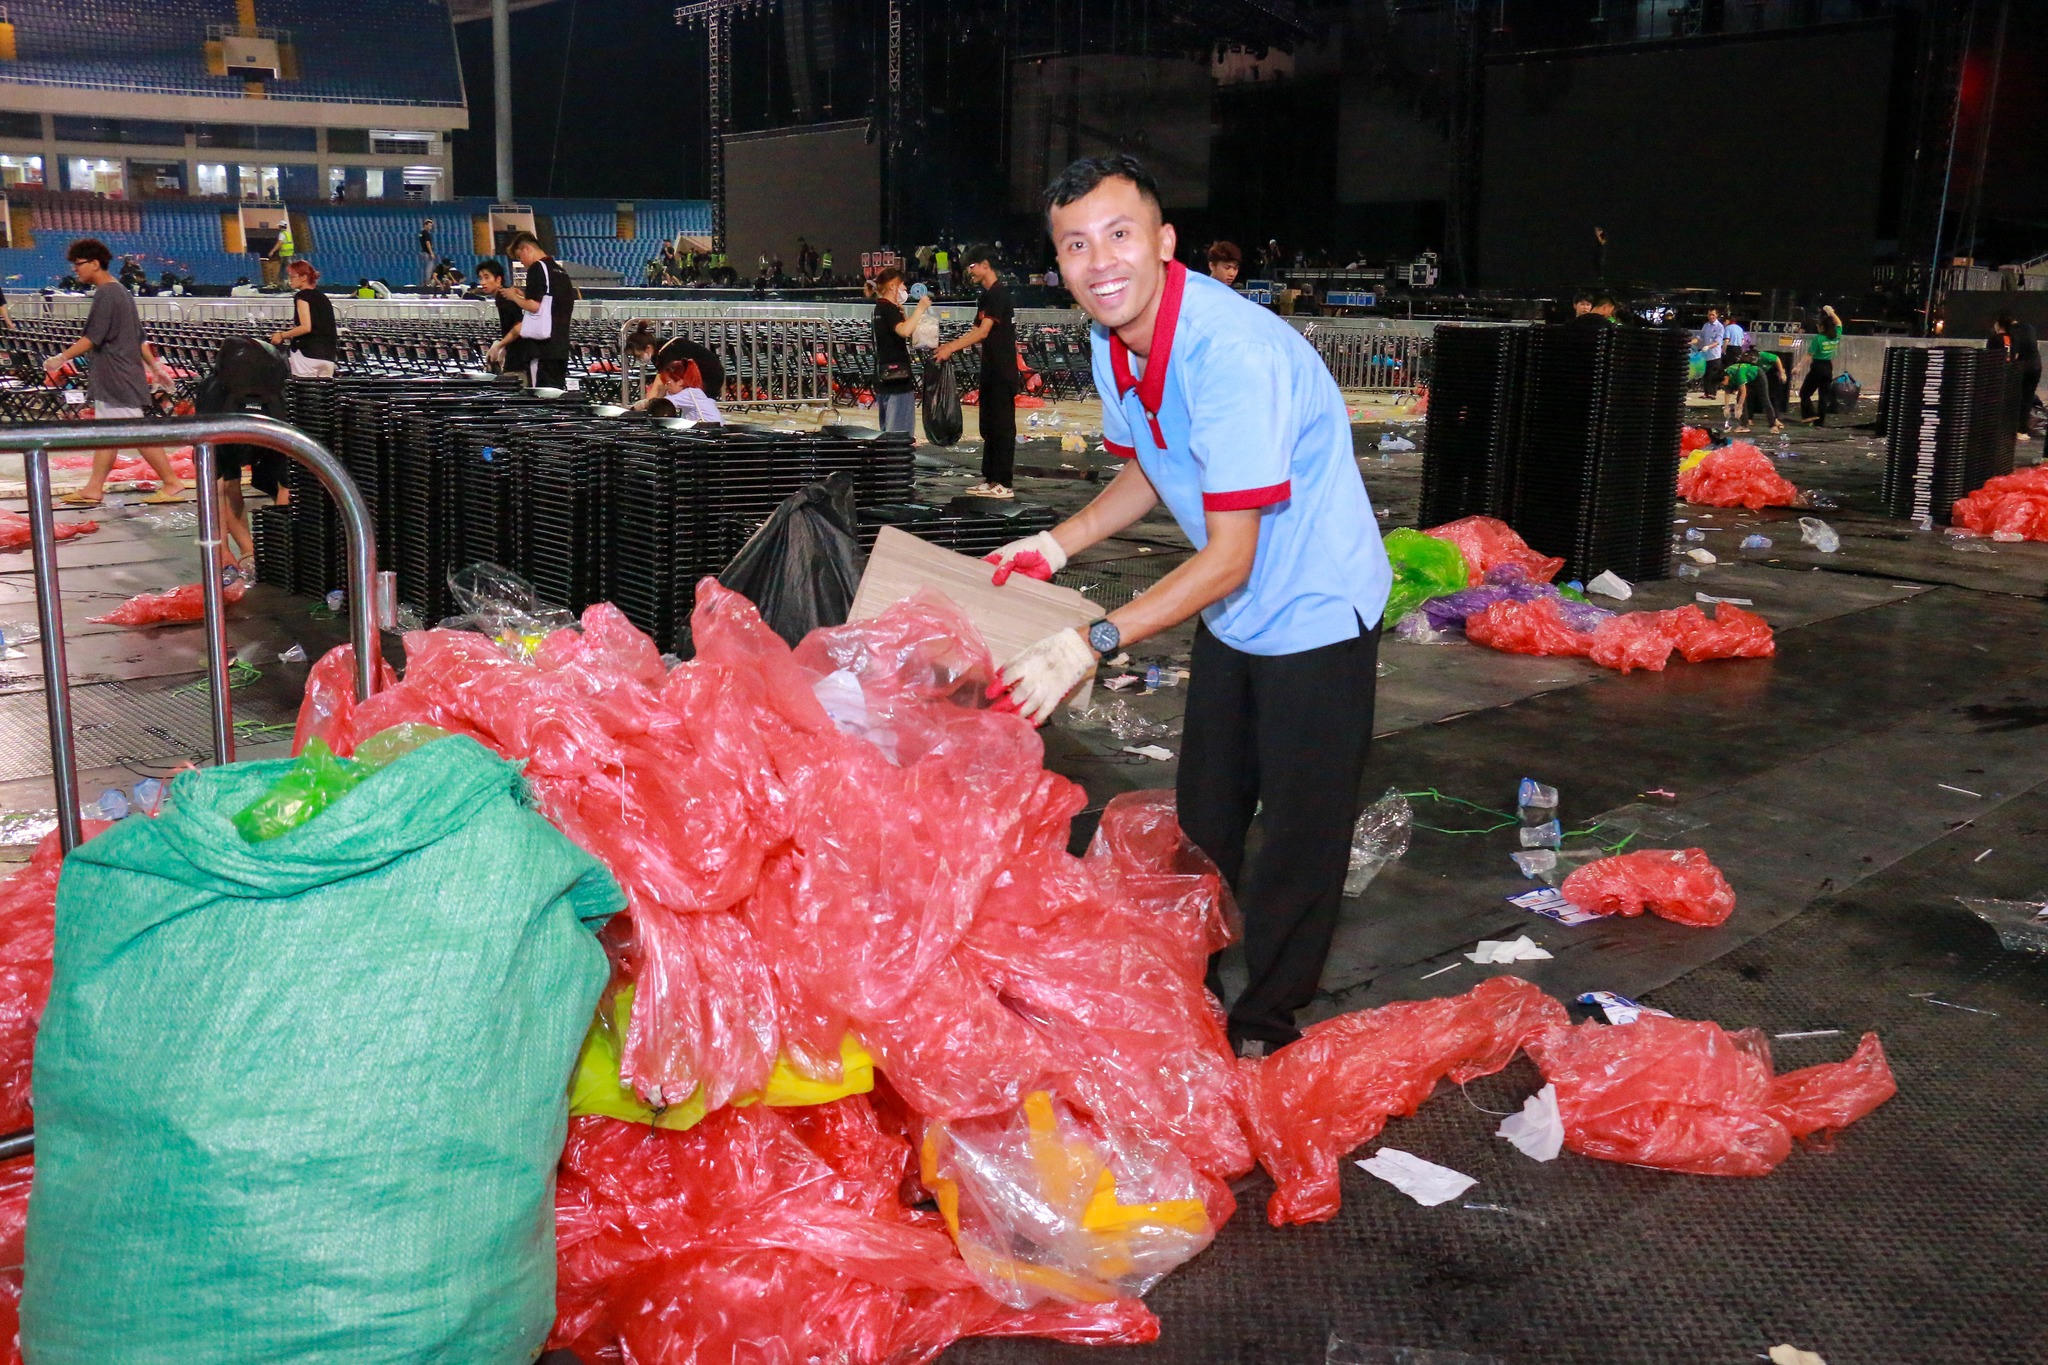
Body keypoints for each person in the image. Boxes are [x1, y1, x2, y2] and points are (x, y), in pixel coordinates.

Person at [990, 155, 1391, 1055]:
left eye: (1119, 234)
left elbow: (1232, 554)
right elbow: (1152, 463)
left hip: (1315, 605)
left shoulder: (1233, 353)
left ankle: (1264, 1024)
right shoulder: (1112, 340)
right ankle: (1192, 1001)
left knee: (1299, 837)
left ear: (1165, 242)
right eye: (1076, 245)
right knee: (1206, 820)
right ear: (1059, 264)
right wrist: (1057, 543)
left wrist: (1093, 637)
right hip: (1233, 608)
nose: (1101, 261)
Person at [42, 239, 189, 508]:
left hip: (116, 376)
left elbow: (92, 338)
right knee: (108, 434)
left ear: (94, 263)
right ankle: (94, 488)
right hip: (119, 374)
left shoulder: (107, 294)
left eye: (78, 264)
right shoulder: (120, 291)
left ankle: (171, 482)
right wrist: (155, 367)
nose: (75, 270)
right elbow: (139, 337)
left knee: (133, 431)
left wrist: (61, 358)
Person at [934, 244, 1017, 498]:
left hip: (1002, 370)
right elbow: (975, 330)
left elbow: (983, 332)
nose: (969, 271)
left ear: (985, 265)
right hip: (989, 369)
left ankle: (1004, 482)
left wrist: (951, 348)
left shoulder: (999, 294)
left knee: (1002, 426)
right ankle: (990, 479)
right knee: (989, 425)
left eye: (972, 266)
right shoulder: (985, 297)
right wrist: (949, 346)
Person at [494, 232, 577, 388]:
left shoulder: (537, 268)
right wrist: (523, 295)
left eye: (520, 257)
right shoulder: (560, 272)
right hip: (560, 347)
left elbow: (535, 306)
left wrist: (514, 297)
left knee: (540, 395)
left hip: (542, 348)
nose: (522, 262)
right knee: (556, 393)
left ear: (526, 249)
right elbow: (550, 303)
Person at [868, 266, 928, 437]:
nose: (905, 289)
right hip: (897, 380)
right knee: (898, 436)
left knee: (888, 432)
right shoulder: (888, 308)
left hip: (884, 376)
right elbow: (904, 331)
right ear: (893, 285)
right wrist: (920, 309)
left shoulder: (879, 308)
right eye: (902, 284)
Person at [268, 259, 339, 379]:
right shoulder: (323, 298)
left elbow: (306, 327)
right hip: (328, 356)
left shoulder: (302, 296)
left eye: (292, 276)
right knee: (324, 390)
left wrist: (281, 335)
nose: (290, 280)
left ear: (304, 277)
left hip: (307, 354)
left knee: (305, 389)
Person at [629, 337, 724, 423]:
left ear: (680, 381)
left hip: (712, 429)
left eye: (668, 383)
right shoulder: (689, 393)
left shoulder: (690, 394)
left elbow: (661, 404)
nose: (666, 387)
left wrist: (641, 405)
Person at [475, 258, 529, 379]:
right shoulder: (502, 297)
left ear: (498, 279)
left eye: (487, 277)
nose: (483, 282)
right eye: (481, 278)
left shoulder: (504, 298)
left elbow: (519, 326)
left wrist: (499, 346)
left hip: (519, 359)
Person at [1992, 312, 2041, 441]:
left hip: (2021, 367)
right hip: (2036, 366)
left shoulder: (2011, 333)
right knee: (2027, 399)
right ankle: (2022, 431)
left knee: (2013, 398)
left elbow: (2014, 353)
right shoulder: (2029, 327)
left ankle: (2008, 429)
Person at [1797, 306, 1843, 427]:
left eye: (1818, 325)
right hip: (1828, 367)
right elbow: (1839, 323)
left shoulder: (1818, 338)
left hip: (1817, 367)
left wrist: (1799, 367)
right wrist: (1831, 313)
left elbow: (1809, 355)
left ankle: (1809, 415)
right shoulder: (1836, 335)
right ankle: (1820, 422)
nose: (1817, 327)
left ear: (1822, 327)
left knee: (1804, 393)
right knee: (1823, 396)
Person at [1718, 350, 1785, 434]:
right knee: (1739, 399)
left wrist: (1739, 407)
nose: (1723, 384)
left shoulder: (1739, 373)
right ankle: (1744, 425)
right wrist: (1726, 407)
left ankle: (1773, 425)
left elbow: (1744, 392)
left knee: (1764, 399)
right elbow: (1727, 391)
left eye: (1723, 382)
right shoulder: (1725, 373)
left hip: (1758, 375)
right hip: (1748, 377)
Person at [1696, 306, 1727, 398]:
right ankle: (1706, 393)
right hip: (1706, 355)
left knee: (1713, 375)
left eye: (1713, 314)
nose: (1711, 316)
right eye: (1709, 314)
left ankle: (1712, 394)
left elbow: (1718, 341)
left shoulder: (1719, 327)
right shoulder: (1706, 325)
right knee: (1706, 375)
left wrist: (1708, 346)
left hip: (1714, 355)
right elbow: (1700, 337)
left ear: (1716, 315)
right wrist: (1691, 342)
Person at [418, 219, 436, 286]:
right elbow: (427, 243)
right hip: (427, 253)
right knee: (429, 268)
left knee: (425, 268)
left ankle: (424, 282)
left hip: (423, 252)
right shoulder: (426, 233)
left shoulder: (421, 233)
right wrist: (431, 253)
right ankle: (427, 283)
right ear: (425, 225)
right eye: (429, 225)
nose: (430, 227)